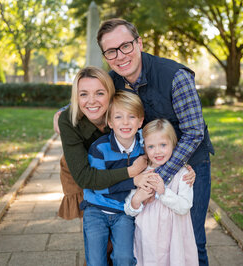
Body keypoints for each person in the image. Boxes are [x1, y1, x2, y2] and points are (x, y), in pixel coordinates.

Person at [54, 18, 214, 265]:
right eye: (111, 51)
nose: (120, 56)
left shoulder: (175, 76)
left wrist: (157, 175)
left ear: (139, 43)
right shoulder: (115, 79)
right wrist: (61, 114)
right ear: (106, 56)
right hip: (145, 169)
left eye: (126, 46)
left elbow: (194, 132)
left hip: (187, 167)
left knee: (190, 240)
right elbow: (89, 97)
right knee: (146, 240)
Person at [81, 90, 147, 265]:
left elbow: (163, 155)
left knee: (124, 258)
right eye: (118, 117)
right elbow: (98, 185)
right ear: (110, 122)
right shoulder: (100, 149)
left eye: (131, 116)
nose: (125, 122)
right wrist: (133, 181)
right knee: (96, 261)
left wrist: (185, 167)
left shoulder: (144, 147)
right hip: (96, 208)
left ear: (140, 121)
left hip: (124, 211)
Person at [125, 119, 198, 266]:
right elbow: (129, 210)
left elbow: (184, 206)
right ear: (144, 148)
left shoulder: (183, 174)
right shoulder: (141, 173)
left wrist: (163, 193)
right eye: (151, 146)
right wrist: (136, 199)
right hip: (148, 236)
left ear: (173, 144)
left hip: (174, 236)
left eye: (163, 145)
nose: (157, 151)